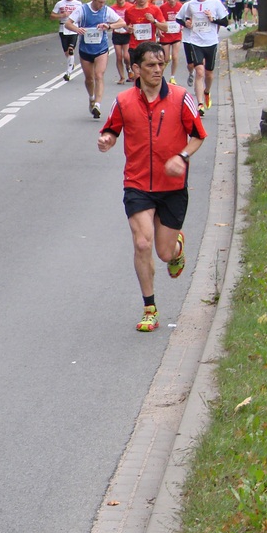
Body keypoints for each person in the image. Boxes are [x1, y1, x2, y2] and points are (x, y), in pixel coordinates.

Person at [97, 41, 207, 332]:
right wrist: (107, 139)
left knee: (164, 253)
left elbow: (198, 136)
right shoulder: (123, 101)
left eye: (161, 64)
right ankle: (150, 308)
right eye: (150, 65)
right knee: (142, 242)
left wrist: (181, 156)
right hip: (137, 183)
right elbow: (111, 129)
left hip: (172, 186)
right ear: (136, 69)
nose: (158, 69)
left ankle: (177, 247)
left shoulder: (182, 98)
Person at [65, 0, 127, 119]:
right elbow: (68, 24)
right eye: (100, 2)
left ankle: (97, 105)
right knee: (89, 79)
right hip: (85, 49)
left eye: (104, 2)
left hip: (101, 49)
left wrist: (109, 26)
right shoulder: (82, 10)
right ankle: (92, 98)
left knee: (99, 75)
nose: (102, 5)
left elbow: (122, 22)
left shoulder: (106, 11)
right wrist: (77, 29)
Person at [176, 0, 229, 115]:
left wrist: (213, 19)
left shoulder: (215, 3)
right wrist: (187, 23)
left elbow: (225, 22)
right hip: (195, 41)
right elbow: (183, 18)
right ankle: (199, 104)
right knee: (199, 71)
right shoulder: (190, 5)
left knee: (209, 73)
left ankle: (207, 92)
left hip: (211, 41)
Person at [123, 0, 168, 72]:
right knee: (137, 73)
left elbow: (165, 28)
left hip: (150, 47)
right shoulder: (129, 11)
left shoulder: (154, 9)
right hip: (134, 46)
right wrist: (128, 28)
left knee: (148, 73)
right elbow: (126, 25)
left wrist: (154, 21)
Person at [51, 0, 82, 81]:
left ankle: (68, 73)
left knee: (71, 50)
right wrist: (62, 15)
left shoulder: (78, 4)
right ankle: (71, 64)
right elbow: (52, 16)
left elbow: (82, 15)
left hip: (74, 27)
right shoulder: (60, 4)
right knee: (66, 52)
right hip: (63, 27)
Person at [159, 0, 184, 84]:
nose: (172, 0)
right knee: (165, 58)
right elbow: (159, 19)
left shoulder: (181, 7)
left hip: (176, 34)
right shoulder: (162, 7)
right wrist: (159, 30)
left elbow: (184, 17)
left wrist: (183, 25)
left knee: (175, 56)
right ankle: (166, 59)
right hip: (166, 34)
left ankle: (172, 76)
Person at [110, 0, 132, 84]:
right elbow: (108, 19)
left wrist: (130, 27)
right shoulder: (112, 8)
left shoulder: (130, 7)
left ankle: (129, 68)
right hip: (117, 33)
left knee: (126, 56)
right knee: (119, 57)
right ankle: (122, 77)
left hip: (127, 34)